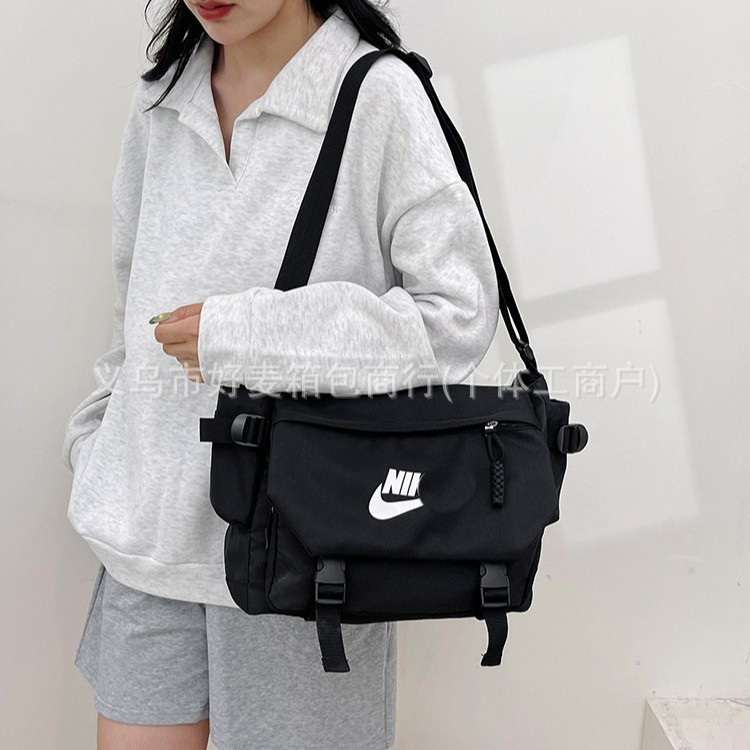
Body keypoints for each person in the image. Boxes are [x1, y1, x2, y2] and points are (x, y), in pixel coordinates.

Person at [61, 0, 500, 747]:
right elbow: (132, 301)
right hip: (147, 544)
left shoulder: (378, 94)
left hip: (304, 553)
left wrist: (246, 335)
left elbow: (456, 316)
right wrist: (100, 446)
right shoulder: (163, 96)